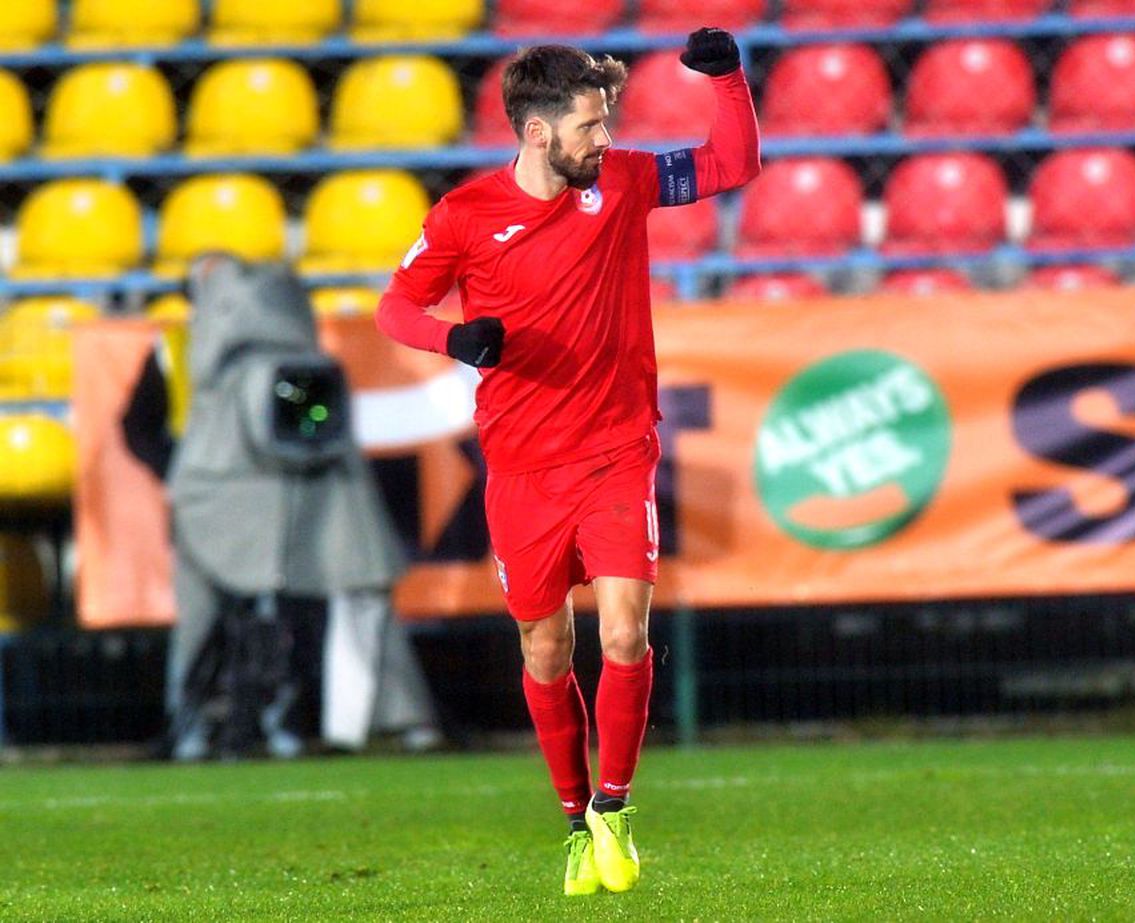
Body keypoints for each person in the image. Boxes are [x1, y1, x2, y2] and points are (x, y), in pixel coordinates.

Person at [376, 28, 760, 895]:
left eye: (607, 121)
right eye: (591, 124)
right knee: (546, 646)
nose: (607, 138)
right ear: (539, 133)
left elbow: (732, 165)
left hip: (618, 449)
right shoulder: (466, 217)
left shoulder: (620, 182)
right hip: (520, 467)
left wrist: (728, 81)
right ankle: (573, 821)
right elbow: (395, 308)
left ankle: (614, 810)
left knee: (625, 631)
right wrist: (455, 338)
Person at [124, 254, 441, 761]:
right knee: (204, 621)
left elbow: (313, 425)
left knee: (316, 613)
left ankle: (305, 723)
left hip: (286, 494)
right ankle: (195, 726)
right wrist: (183, 470)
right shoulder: (175, 347)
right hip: (215, 495)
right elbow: (137, 425)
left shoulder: (304, 366)